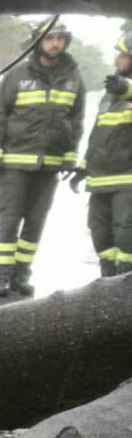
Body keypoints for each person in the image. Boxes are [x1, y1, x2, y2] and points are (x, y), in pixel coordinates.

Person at [0, 20, 86, 298]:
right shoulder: (17, 75)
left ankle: (21, 274)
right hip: (15, 163)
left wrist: (70, 155)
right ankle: (1, 277)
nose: (55, 43)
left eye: (60, 39)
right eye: (50, 38)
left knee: (35, 223)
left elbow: (76, 121)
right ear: (38, 41)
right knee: (9, 221)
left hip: (50, 166)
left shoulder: (74, 78)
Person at [70, 35, 132, 277]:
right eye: (119, 53)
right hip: (100, 180)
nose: (118, 59)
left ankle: (126, 282)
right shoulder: (110, 95)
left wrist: (128, 90)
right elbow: (99, 134)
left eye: (124, 54)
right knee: (99, 232)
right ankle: (108, 278)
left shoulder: (124, 90)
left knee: (126, 233)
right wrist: (84, 166)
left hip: (127, 181)